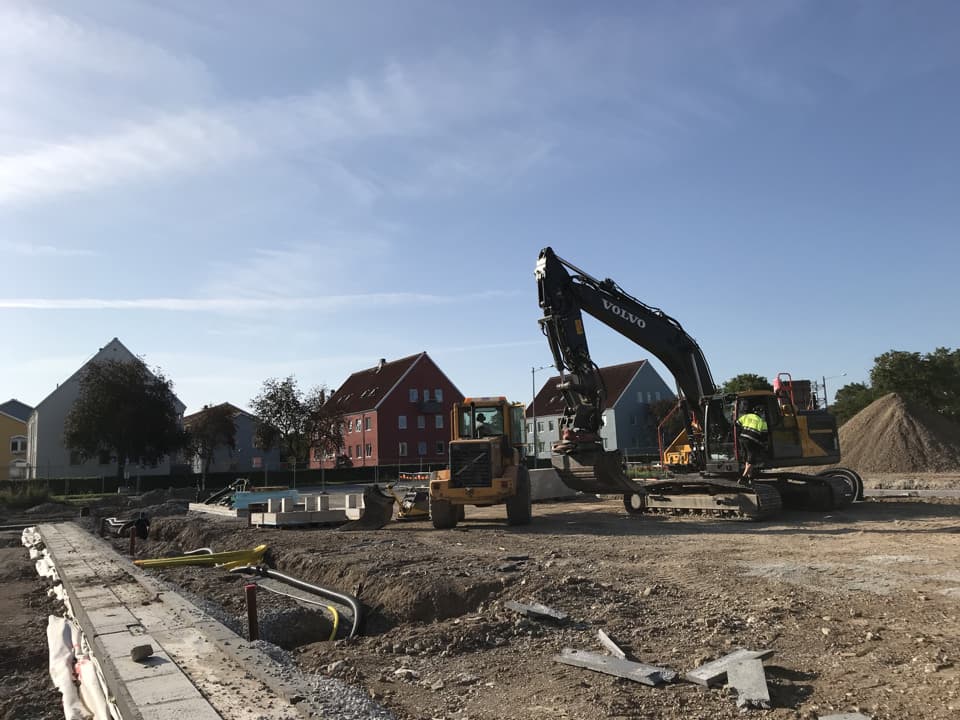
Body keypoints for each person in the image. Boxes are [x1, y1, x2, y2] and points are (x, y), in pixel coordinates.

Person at [736, 403, 768, 482]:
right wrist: (764, 445)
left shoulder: (746, 416)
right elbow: (764, 436)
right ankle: (743, 478)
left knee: (748, 459)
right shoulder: (762, 422)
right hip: (751, 441)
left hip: (742, 439)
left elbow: (736, 424)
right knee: (751, 461)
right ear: (761, 413)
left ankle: (750, 478)